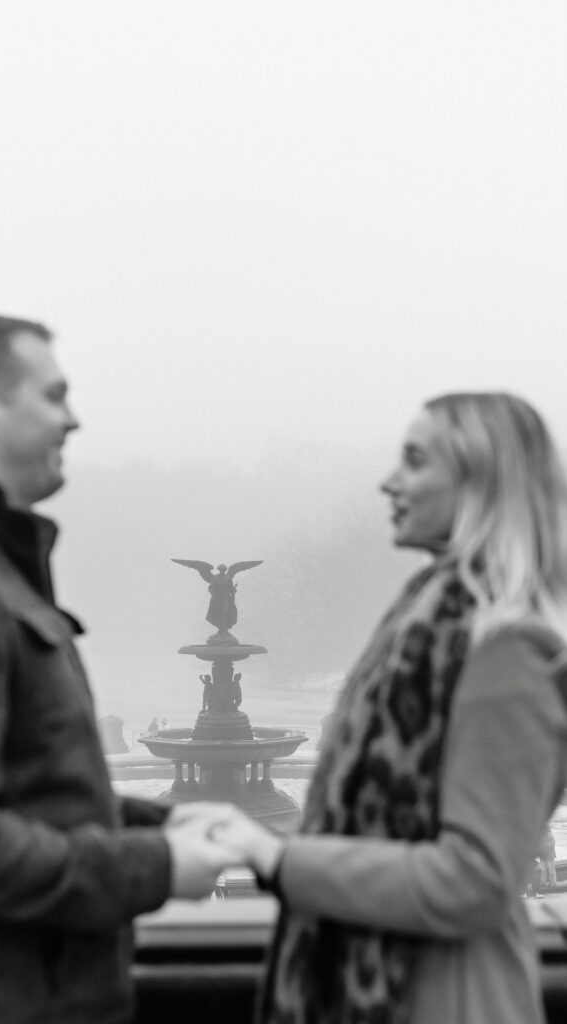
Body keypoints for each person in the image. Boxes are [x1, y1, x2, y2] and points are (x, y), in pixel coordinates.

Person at [0, 315, 234, 1024]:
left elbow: (27, 793)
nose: (71, 421)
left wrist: (159, 821)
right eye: (52, 396)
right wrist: (155, 867)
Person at [213, 393, 567, 1024]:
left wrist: (280, 859)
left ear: (481, 483)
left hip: (442, 998)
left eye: (413, 461)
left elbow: (477, 880)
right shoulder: (437, 619)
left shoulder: (505, 644)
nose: (388, 482)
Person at [538, 824, 557, 892]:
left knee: (551, 870)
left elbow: (552, 844)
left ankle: (553, 883)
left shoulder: (549, 834)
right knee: (543, 870)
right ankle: (543, 883)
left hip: (549, 855)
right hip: (543, 856)